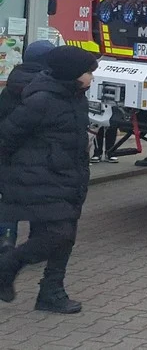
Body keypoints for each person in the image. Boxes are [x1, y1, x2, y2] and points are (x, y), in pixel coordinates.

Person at [0, 45, 99, 314]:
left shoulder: (76, 97)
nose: (92, 77)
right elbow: (7, 137)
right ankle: (7, 266)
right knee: (57, 234)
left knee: (66, 237)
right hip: (42, 179)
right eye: (88, 72)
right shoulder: (41, 100)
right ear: (72, 74)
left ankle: (51, 292)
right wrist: (17, 172)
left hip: (69, 178)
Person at [0, 41, 56, 253]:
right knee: (40, 203)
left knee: (10, 200)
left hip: (11, 156)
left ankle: (6, 239)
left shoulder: (11, 84)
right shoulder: (48, 87)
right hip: (40, 157)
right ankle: (35, 243)